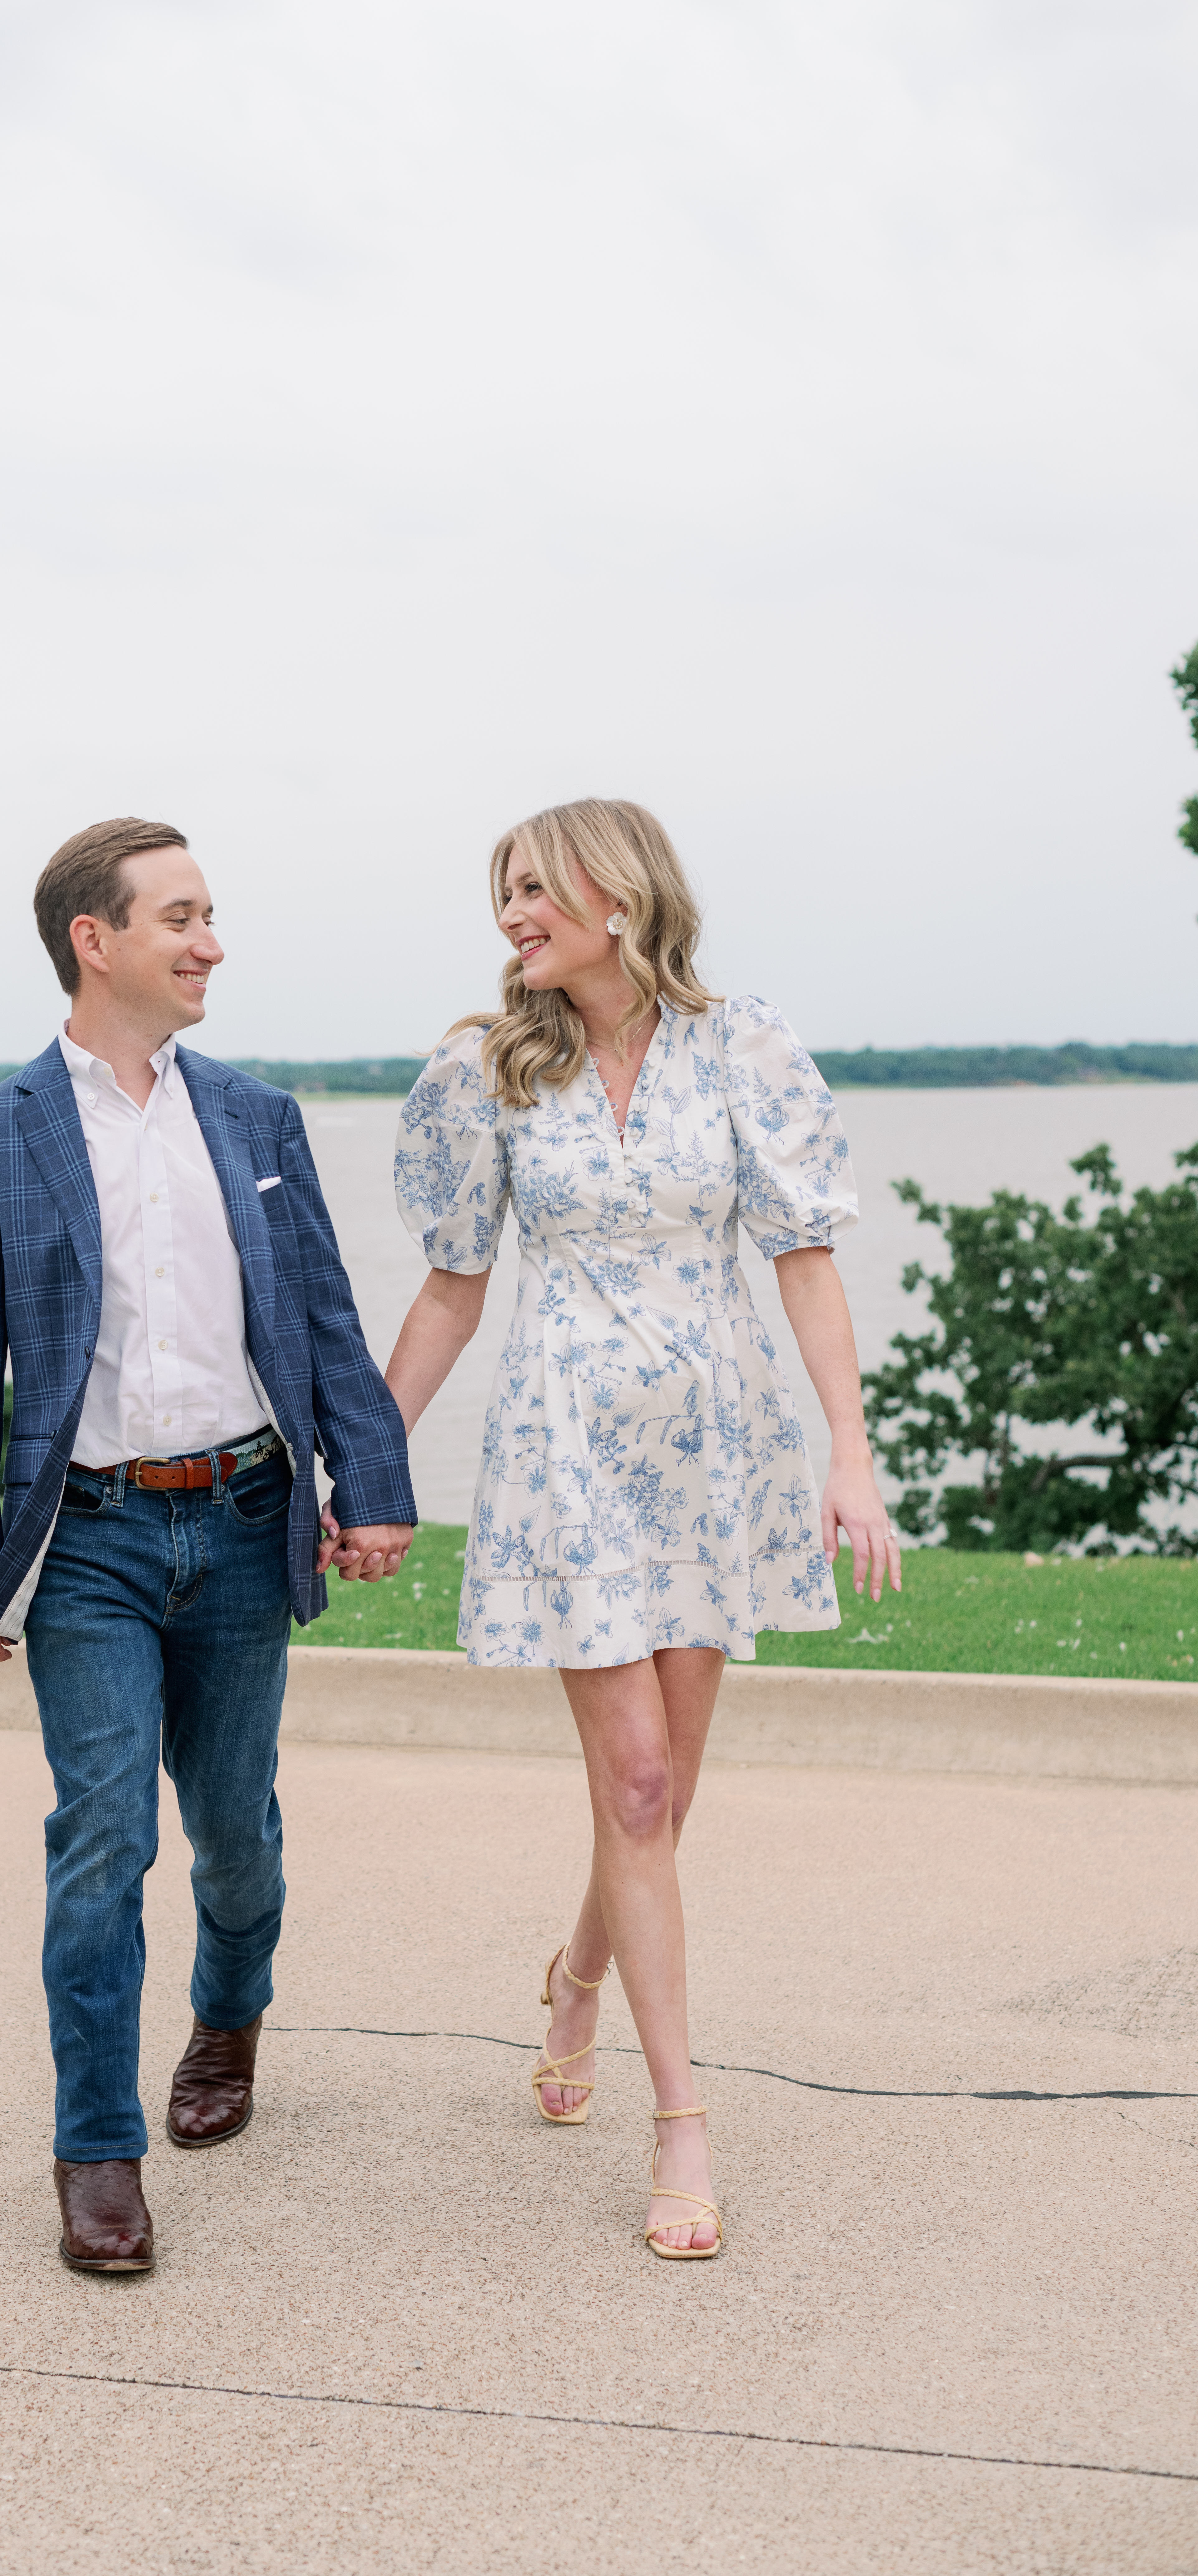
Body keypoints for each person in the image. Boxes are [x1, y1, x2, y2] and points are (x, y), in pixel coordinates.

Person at [385, 798, 897, 2260]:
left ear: (621, 895)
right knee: (633, 1788)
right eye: (503, 894)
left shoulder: (743, 1047)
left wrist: (847, 1458)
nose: (511, 918)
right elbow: (449, 1289)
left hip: (718, 1457)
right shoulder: (483, 1071)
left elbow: (803, 1266)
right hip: (564, 1458)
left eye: (533, 888)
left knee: (661, 1798)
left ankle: (575, 1978)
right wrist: (362, 1463)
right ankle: (680, 2130)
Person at [0, 817, 416, 2276]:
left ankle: (229, 2014)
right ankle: (96, 2152)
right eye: (182, 918)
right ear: (97, 939)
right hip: (84, 1541)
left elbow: (321, 1311)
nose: (211, 943)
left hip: (247, 1513)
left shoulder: (257, 1120)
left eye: (210, 918)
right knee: (101, 1841)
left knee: (233, 1836)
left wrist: (369, 1477)